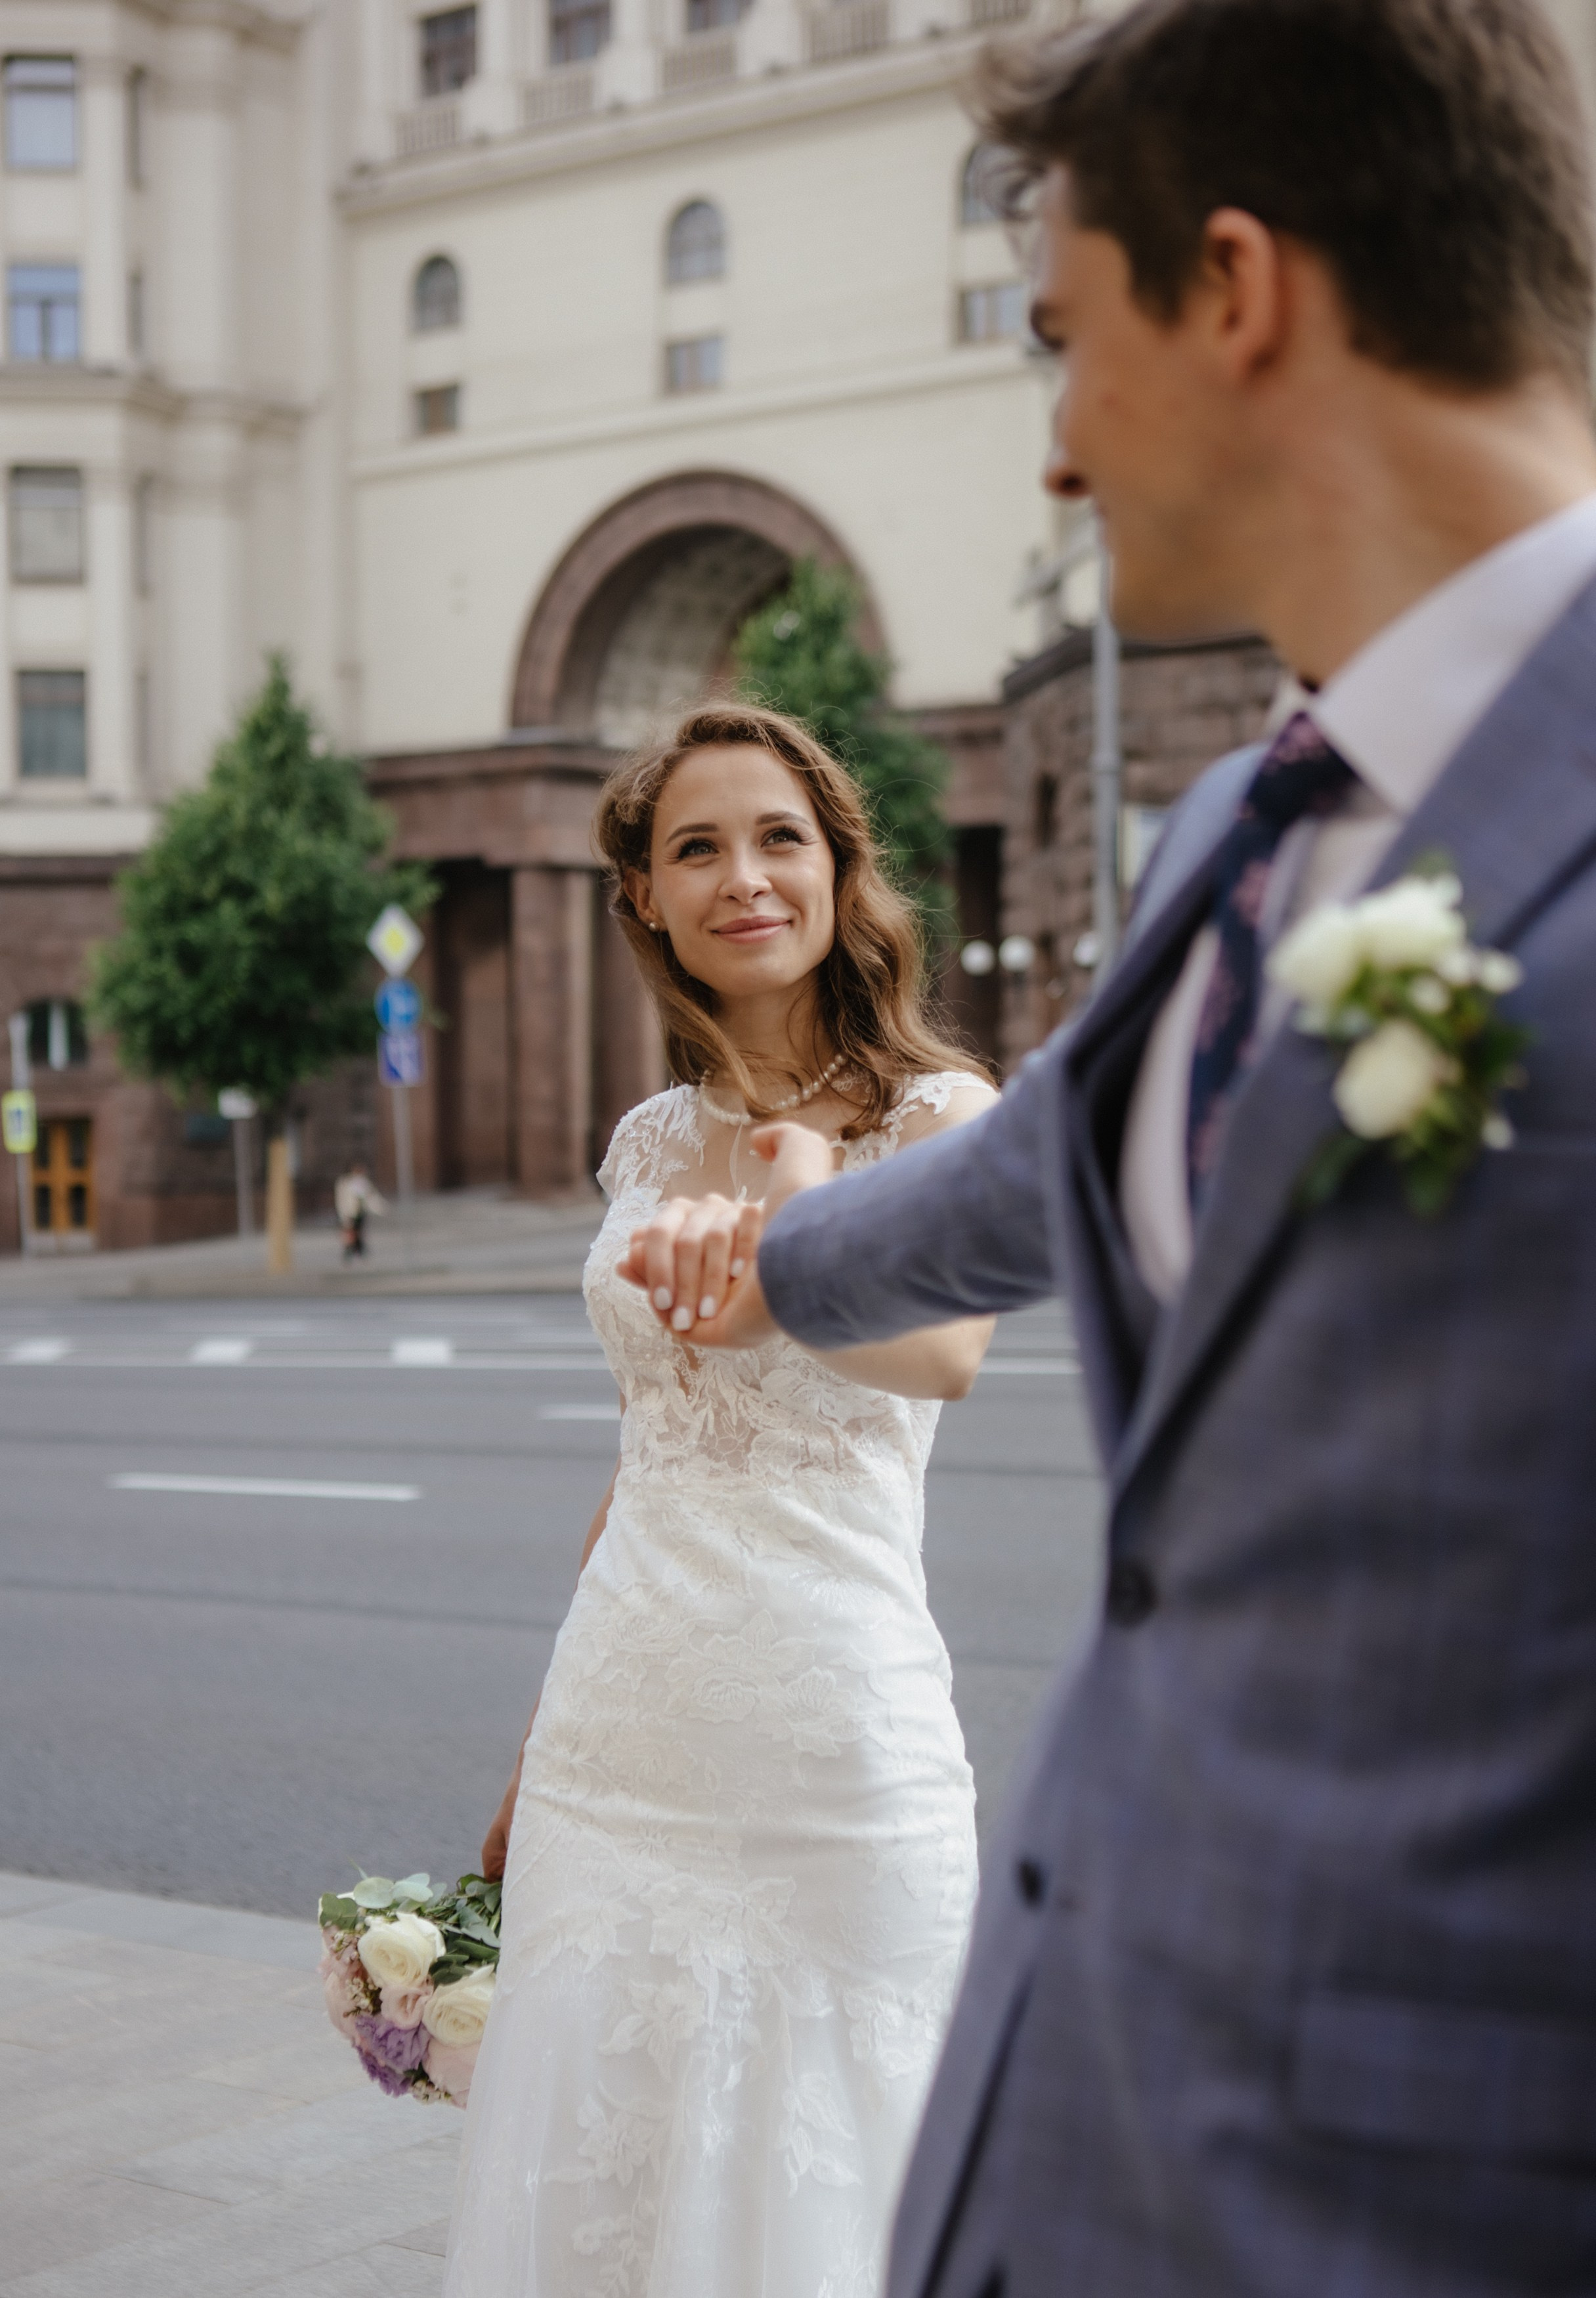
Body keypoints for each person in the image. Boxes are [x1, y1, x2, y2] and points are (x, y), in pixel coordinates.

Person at [620, 1, 1596, 2288]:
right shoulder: (1239, 844)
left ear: (1236, 290)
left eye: (1060, 336)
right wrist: (780, 1260)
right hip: (1078, 2156)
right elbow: (1050, 1155)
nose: (1055, 452)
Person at [442, 703, 997, 2297]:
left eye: (779, 839)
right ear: (645, 901)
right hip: (619, 1741)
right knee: (606, 2179)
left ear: (838, 871)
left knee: (834, 2175)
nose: (742, 876)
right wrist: (538, 1741)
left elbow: (948, 1354)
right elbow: (650, 1446)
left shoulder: (938, 1116)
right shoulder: (647, 1144)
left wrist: (784, 1282)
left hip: (835, 1740)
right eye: (697, 847)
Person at [334, 1160, 387, 1261]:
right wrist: (343, 1213)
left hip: (359, 1211)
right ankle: (350, 1252)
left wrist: (381, 1208)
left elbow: (371, 1197)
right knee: (350, 1233)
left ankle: (360, 1251)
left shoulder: (363, 1183)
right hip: (349, 1212)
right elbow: (342, 1199)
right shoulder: (345, 1183)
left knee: (359, 1232)